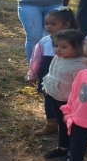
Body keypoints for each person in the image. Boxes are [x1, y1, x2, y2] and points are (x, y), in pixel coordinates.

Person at [27, 7, 79, 136]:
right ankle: (51, 124)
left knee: (69, 100)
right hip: (48, 77)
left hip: (68, 78)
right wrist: (32, 74)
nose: (49, 27)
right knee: (48, 99)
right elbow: (35, 60)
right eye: (46, 24)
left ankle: (70, 124)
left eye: (53, 24)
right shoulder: (44, 41)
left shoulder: (77, 41)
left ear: (67, 24)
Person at [42, 29, 87, 161]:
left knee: (71, 128)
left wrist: (76, 104)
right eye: (56, 46)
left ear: (78, 47)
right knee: (62, 126)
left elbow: (82, 87)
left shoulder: (81, 66)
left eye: (63, 47)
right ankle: (62, 148)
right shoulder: (58, 58)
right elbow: (52, 73)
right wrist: (46, 87)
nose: (58, 49)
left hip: (67, 103)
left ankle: (73, 153)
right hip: (54, 97)